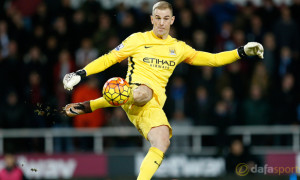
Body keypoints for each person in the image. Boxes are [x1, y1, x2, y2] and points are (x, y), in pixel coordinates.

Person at [62, 1, 264, 179]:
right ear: (151, 19)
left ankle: (92, 106)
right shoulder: (137, 39)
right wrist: (80, 73)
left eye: (165, 18)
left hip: (152, 107)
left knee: (162, 141)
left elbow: (213, 59)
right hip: (133, 91)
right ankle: (101, 102)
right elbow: (108, 58)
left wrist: (242, 51)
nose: (161, 23)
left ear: (173, 20)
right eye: (157, 18)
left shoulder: (179, 48)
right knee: (144, 91)